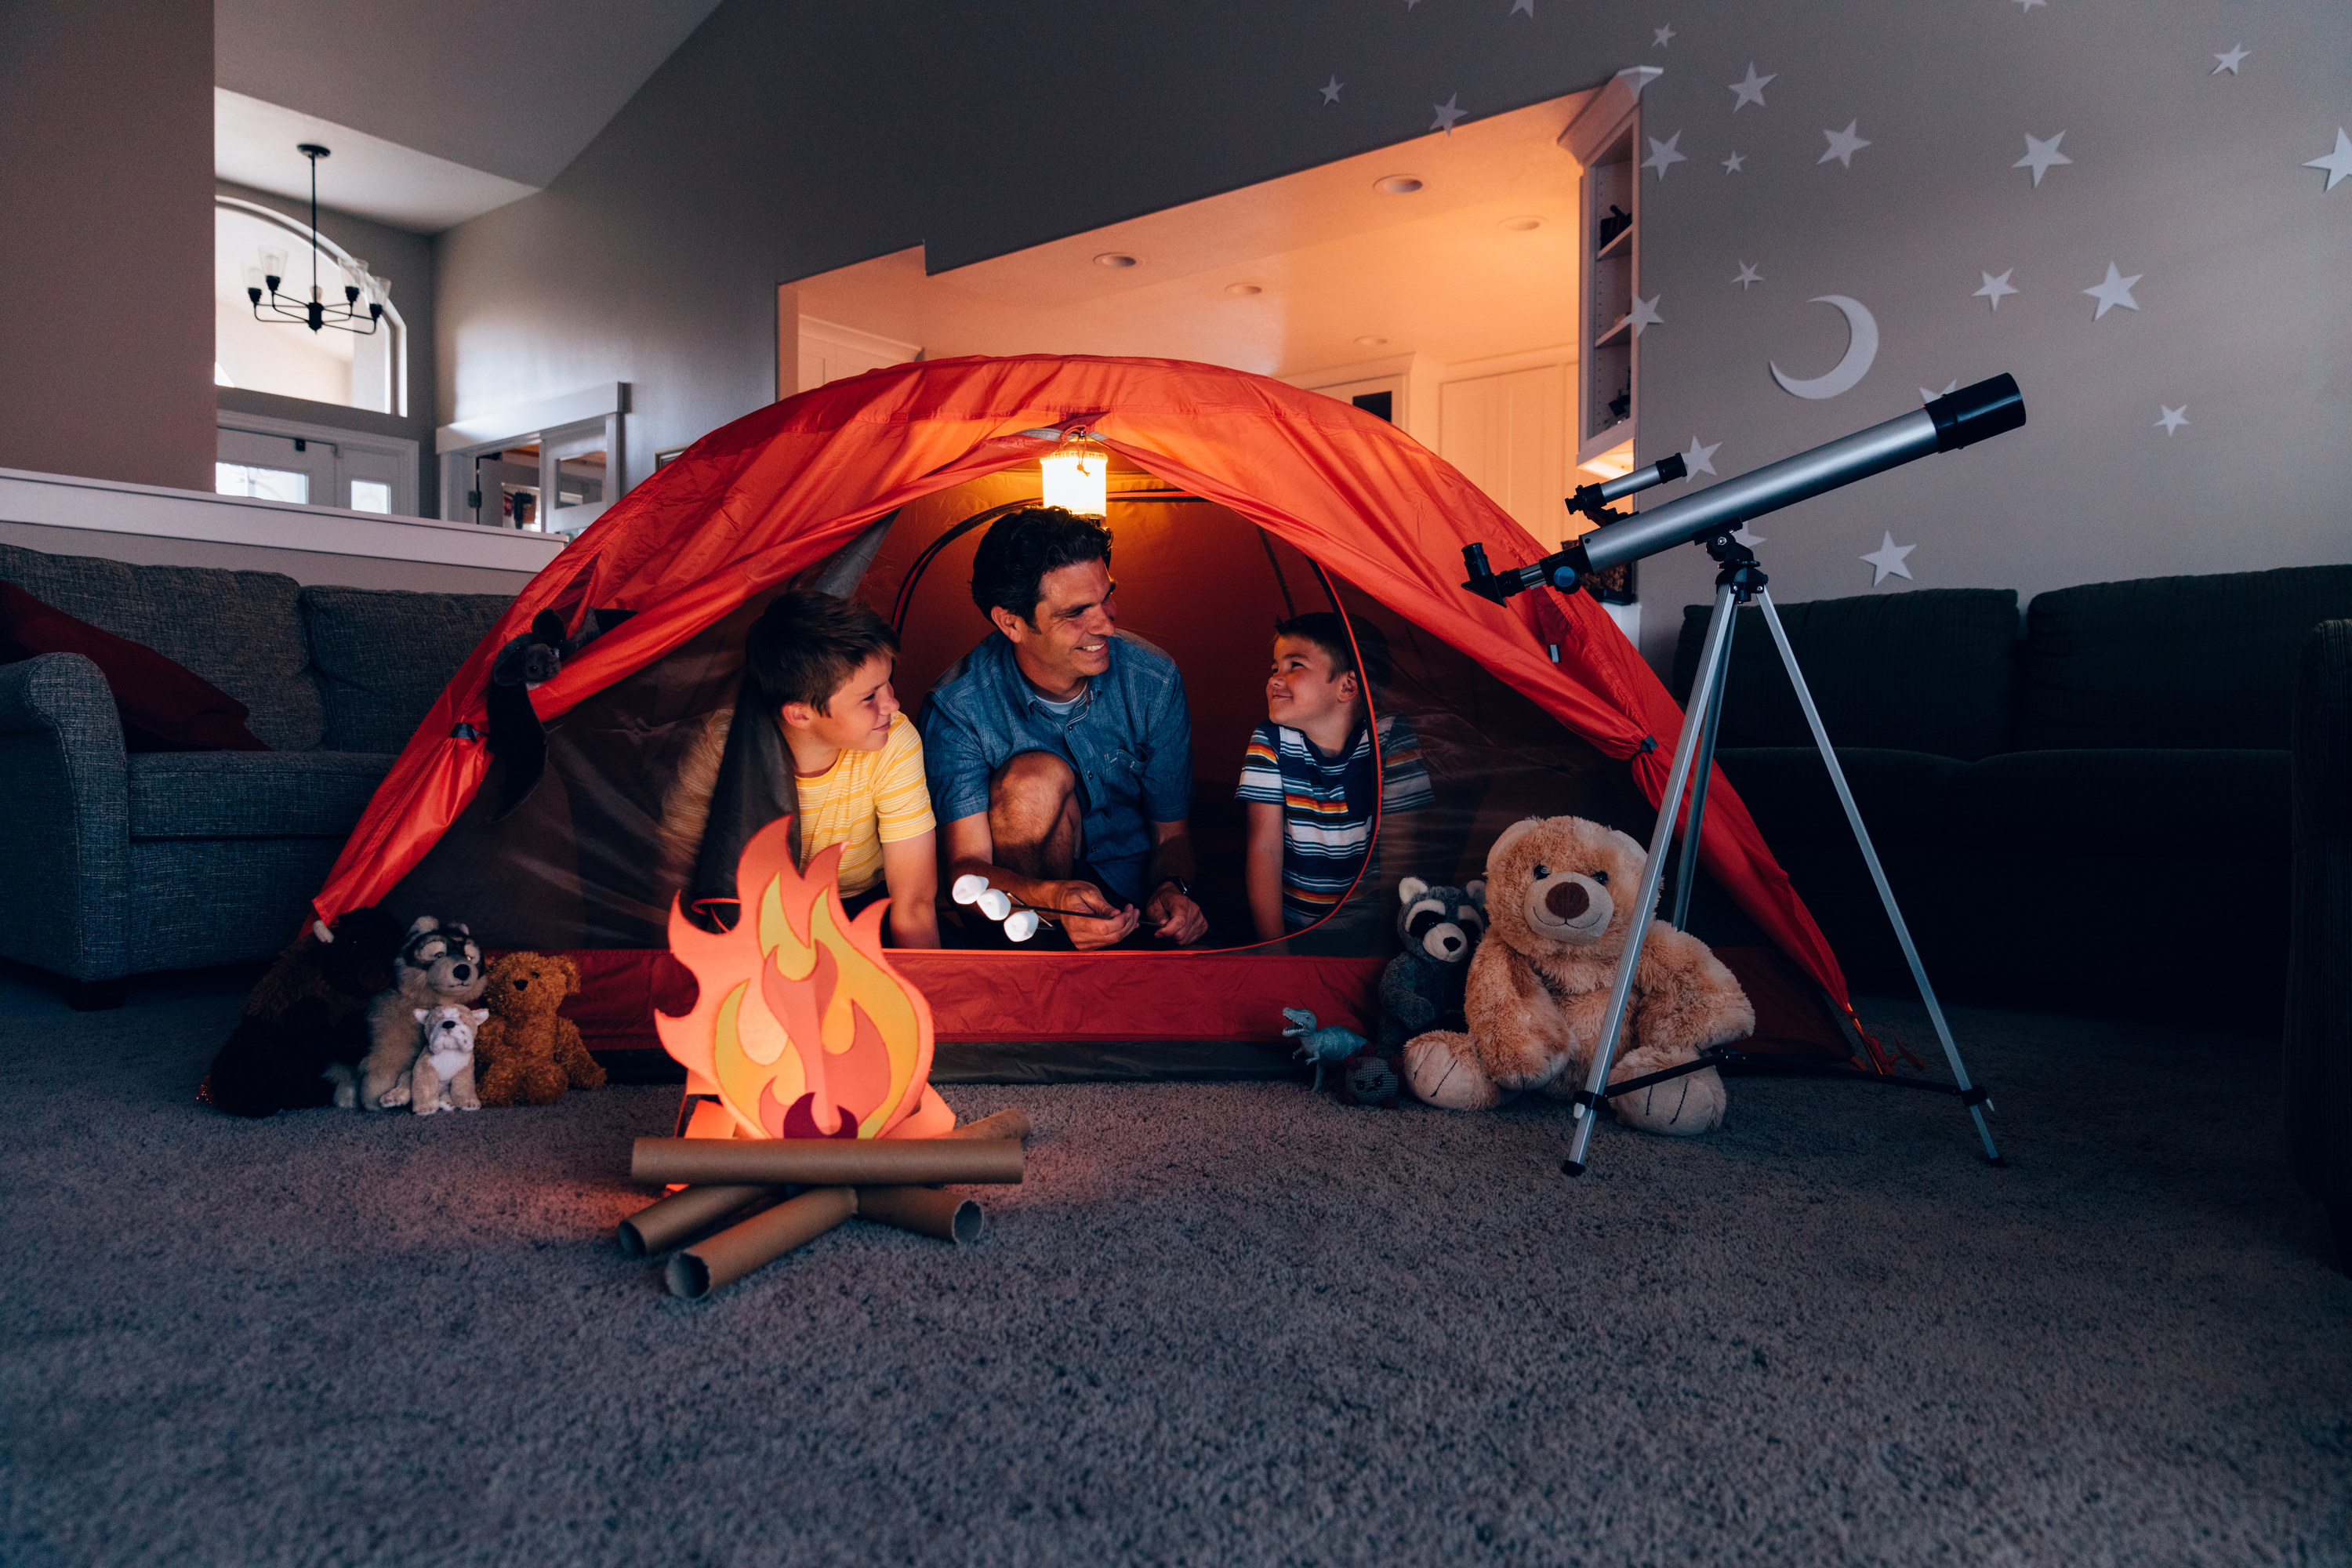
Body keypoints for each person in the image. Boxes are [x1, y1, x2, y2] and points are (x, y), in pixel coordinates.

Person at [920, 507, 1207, 950]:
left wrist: (1173, 889)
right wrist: (1052, 899)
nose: (1107, 623)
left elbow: (1173, 833)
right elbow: (966, 869)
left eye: (1106, 597)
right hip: (1028, 917)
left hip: (1139, 908)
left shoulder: (1153, 680)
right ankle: (1045, 962)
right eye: (1076, 612)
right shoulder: (960, 707)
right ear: (1011, 623)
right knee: (1035, 778)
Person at [739, 590, 939, 947]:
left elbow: (914, 902)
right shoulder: (727, 751)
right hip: (753, 915)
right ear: (800, 714)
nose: (892, 703)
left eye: (887, 683)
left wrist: (926, 997)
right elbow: (674, 879)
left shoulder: (893, 739)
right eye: (869, 697)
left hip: (860, 906)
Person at [1236, 612, 1435, 942]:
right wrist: (1273, 950)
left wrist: (1385, 946)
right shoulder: (1270, 741)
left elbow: (1400, 852)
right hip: (1293, 931)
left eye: (1294, 666)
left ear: (1347, 686)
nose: (1274, 679)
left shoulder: (1389, 739)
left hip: (1370, 932)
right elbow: (1265, 849)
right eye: (1275, 668)